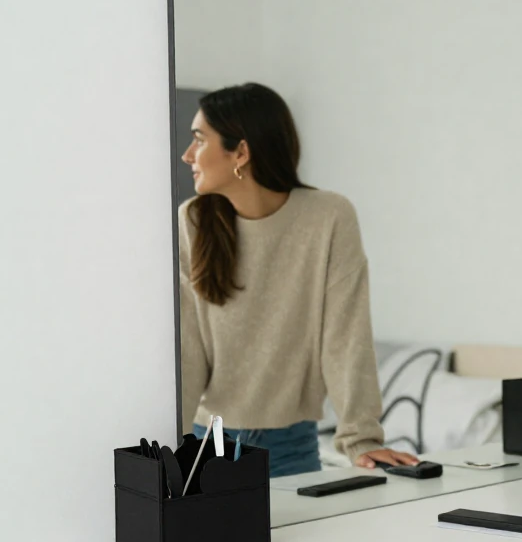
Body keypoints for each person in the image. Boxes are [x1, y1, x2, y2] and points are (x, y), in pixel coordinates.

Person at [177, 82, 418, 477]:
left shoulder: (328, 217)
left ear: (240, 152)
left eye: (199, 141)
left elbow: (345, 337)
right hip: (209, 447)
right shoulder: (193, 221)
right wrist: (169, 450)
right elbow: (187, 350)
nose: (188, 155)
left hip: (292, 448)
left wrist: (361, 439)